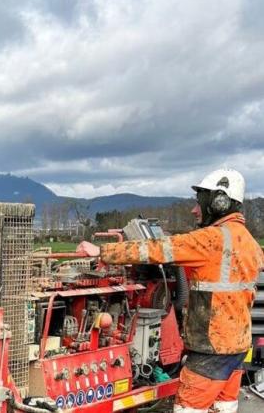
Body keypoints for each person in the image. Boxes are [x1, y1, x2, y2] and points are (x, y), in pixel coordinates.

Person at [78, 168, 264, 413]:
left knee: (188, 408)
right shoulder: (252, 244)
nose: (194, 210)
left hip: (211, 349)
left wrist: (103, 252)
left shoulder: (210, 240)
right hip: (238, 346)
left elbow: (158, 249)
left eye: (200, 202)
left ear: (219, 202)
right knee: (223, 406)